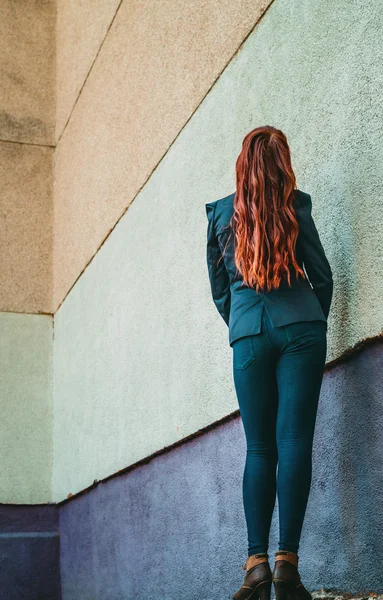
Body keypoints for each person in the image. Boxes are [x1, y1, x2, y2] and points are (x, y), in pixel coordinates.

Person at [205, 126, 333, 600]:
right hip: (301, 327)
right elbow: (321, 276)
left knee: (259, 448)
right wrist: (309, 323)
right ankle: (287, 566)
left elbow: (220, 291)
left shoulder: (220, 214)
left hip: (249, 335)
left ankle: (255, 563)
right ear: (282, 163)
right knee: (295, 440)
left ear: (243, 165)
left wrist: (243, 329)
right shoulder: (295, 206)